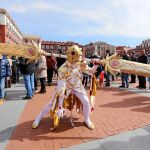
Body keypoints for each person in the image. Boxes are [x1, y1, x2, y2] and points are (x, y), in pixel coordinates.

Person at [32, 45, 98, 130]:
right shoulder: (62, 68)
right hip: (65, 88)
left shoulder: (81, 64)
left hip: (78, 86)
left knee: (85, 101)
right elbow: (61, 87)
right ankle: (39, 117)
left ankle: (87, 119)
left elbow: (91, 71)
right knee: (52, 103)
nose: (76, 58)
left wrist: (95, 65)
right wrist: (60, 106)